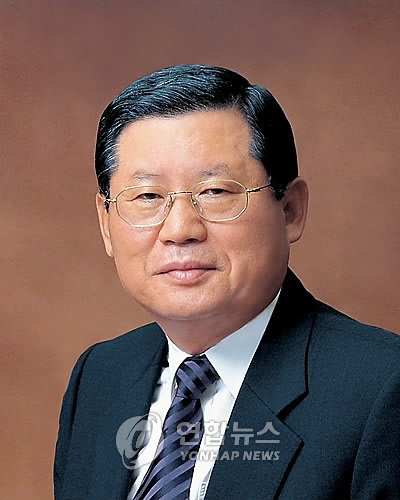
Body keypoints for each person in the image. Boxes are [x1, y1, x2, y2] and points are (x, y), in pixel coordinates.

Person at [54, 64, 400, 500]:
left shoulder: (383, 388)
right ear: (106, 224)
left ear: (290, 210)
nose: (180, 229)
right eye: (147, 197)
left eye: (215, 191)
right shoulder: (100, 375)